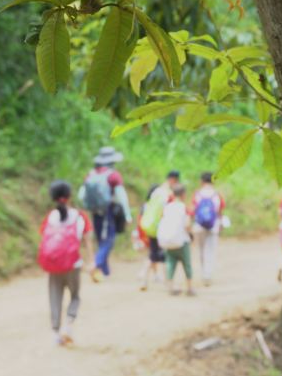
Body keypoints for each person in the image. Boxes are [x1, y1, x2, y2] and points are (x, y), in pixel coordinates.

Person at [38, 180, 94, 346]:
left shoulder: (50, 216)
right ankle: (68, 325)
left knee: (54, 297)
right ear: (69, 196)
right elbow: (87, 239)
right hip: (73, 264)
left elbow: (45, 238)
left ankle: (56, 332)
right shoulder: (79, 215)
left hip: (53, 264)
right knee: (75, 296)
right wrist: (91, 262)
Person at [78, 146, 132, 282]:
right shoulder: (113, 175)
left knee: (101, 239)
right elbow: (121, 195)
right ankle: (95, 265)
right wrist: (127, 214)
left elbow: (81, 195)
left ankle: (105, 271)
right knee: (108, 240)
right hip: (108, 211)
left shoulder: (91, 174)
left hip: (95, 211)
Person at [139, 170, 180, 290]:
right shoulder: (168, 194)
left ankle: (144, 281)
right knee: (166, 257)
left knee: (152, 255)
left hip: (151, 227)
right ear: (173, 180)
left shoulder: (156, 192)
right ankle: (169, 285)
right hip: (161, 228)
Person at [157, 183, 195, 296]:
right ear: (183, 194)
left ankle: (170, 287)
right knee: (187, 264)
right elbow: (187, 225)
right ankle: (189, 288)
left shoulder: (167, 207)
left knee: (170, 263)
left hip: (168, 241)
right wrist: (191, 235)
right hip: (181, 241)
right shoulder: (184, 208)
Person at [191, 172, 225, 286]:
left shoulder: (197, 194)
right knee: (210, 250)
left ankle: (203, 272)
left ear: (202, 181)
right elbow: (219, 211)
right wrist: (220, 224)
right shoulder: (216, 194)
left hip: (199, 225)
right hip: (213, 225)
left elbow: (193, 210)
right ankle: (207, 275)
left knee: (201, 250)